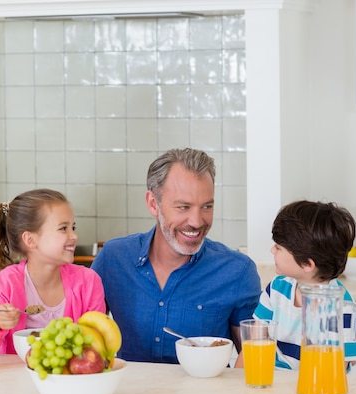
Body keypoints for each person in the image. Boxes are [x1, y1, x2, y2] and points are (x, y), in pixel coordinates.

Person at [90, 148, 262, 363]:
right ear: (153, 203)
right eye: (183, 207)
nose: (197, 221)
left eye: (207, 206)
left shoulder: (238, 271)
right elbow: (82, 335)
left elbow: (254, 354)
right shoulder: (113, 259)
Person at [235, 200, 356, 370]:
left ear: (307, 264)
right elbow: (253, 344)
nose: (272, 250)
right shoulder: (276, 289)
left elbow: (337, 368)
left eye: (279, 248)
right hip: (273, 384)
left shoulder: (341, 306)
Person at [0, 188, 106, 355]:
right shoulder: (5, 283)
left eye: (73, 227)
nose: (74, 236)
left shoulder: (88, 282)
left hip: (70, 379)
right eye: (63, 228)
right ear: (30, 239)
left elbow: (97, 344)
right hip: (15, 379)